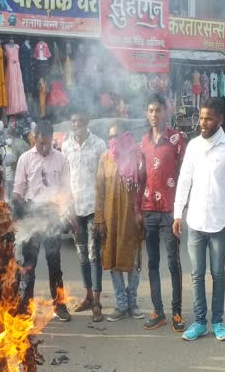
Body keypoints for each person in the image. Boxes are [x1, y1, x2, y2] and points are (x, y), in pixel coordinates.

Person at [172, 98, 225, 341]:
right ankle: (200, 322)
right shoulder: (193, 146)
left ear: (219, 120)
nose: (203, 123)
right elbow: (184, 181)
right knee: (196, 274)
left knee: (218, 273)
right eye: (201, 118)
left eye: (208, 118)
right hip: (195, 221)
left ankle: (218, 322)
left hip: (220, 222)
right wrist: (177, 214)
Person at [14, 121, 73, 322]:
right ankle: (25, 308)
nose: (45, 148)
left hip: (52, 215)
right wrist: (18, 215)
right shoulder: (24, 159)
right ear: (35, 137)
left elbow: (67, 190)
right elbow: (18, 191)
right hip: (32, 214)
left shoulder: (61, 159)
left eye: (48, 144)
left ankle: (60, 305)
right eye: (41, 144)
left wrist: (65, 214)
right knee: (28, 265)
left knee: (54, 263)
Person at [138, 93, 186, 331]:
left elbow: (185, 175)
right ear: (147, 114)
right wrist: (139, 209)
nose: (154, 115)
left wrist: (181, 209)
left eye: (158, 110)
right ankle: (158, 311)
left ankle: (177, 312)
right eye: (150, 110)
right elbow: (140, 178)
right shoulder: (143, 142)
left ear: (166, 112)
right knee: (152, 263)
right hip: (149, 210)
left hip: (170, 209)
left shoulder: (177, 139)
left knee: (172, 262)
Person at [95, 122, 145, 322]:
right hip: (110, 218)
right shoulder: (105, 158)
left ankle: (133, 303)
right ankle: (121, 305)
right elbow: (99, 191)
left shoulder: (138, 157)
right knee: (113, 262)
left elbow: (143, 188)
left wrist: (142, 214)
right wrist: (99, 218)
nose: (113, 140)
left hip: (132, 219)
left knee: (132, 263)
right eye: (110, 137)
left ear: (127, 135)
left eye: (117, 136)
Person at [61, 111, 107, 321]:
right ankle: (87, 296)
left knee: (94, 254)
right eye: (74, 120)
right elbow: (63, 176)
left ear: (87, 121)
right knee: (81, 255)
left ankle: (97, 301)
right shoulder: (66, 145)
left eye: (80, 119)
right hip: (74, 207)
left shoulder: (99, 145)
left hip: (93, 207)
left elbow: (105, 177)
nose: (77, 123)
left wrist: (103, 209)